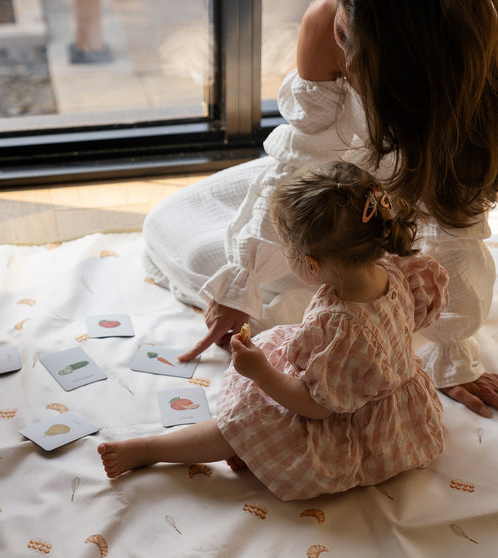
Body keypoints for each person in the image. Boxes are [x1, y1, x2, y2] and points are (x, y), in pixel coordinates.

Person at [142, 0, 498, 418]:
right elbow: (299, 165)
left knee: (318, 321)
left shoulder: (473, 71)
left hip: (411, 220)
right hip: (327, 189)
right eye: (342, 33)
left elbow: (456, 230)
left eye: (358, 46)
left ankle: (388, 308)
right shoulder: (325, 21)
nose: (345, 58)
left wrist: (454, 352)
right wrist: (242, 280)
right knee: (174, 227)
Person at [100, 162, 449, 501]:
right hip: (388, 402)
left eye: (288, 253)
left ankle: (150, 450)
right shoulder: (394, 269)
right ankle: (250, 452)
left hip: (351, 422)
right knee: (263, 385)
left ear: (311, 265)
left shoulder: (345, 327)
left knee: (242, 423)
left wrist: (261, 372)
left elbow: (318, 408)